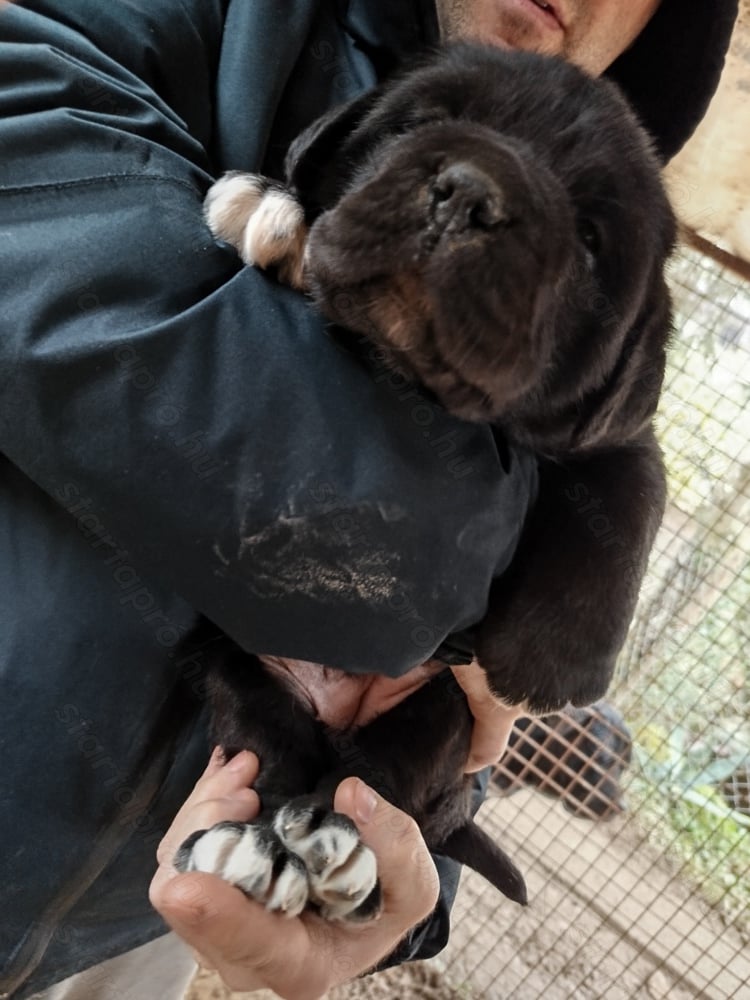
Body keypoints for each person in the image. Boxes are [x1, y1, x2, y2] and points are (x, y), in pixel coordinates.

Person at [0, 0, 737, 997]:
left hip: (148, 907)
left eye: (588, 242)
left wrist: (394, 887)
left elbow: (477, 713)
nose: (472, 199)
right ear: (328, 152)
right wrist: (477, 579)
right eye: (422, 129)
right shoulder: (218, 24)